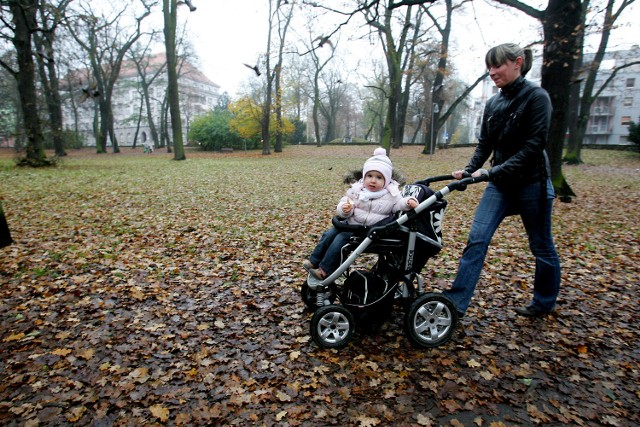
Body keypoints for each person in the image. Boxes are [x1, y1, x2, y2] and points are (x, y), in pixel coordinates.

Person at [443, 43, 561, 318]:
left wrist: (490, 172)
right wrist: (469, 170)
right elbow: (485, 144)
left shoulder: (537, 97)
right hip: (501, 186)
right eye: (489, 67)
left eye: (497, 66)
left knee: (541, 245)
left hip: (533, 183)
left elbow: (533, 147)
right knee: (477, 239)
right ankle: (456, 303)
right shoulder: (493, 103)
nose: (492, 72)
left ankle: (543, 302)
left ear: (517, 62)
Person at [304, 148, 419, 280]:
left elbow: (400, 203)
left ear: (386, 180)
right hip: (352, 225)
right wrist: (344, 209)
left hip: (371, 232)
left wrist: (409, 202)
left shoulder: (391, 195)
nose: (373, 181)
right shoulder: (357, 191)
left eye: (379, 177)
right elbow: (344, 203)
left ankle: (324, 270)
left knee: (340, 239)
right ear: (364, 176)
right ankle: (314, 260)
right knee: (329, 233)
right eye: (369, 176)